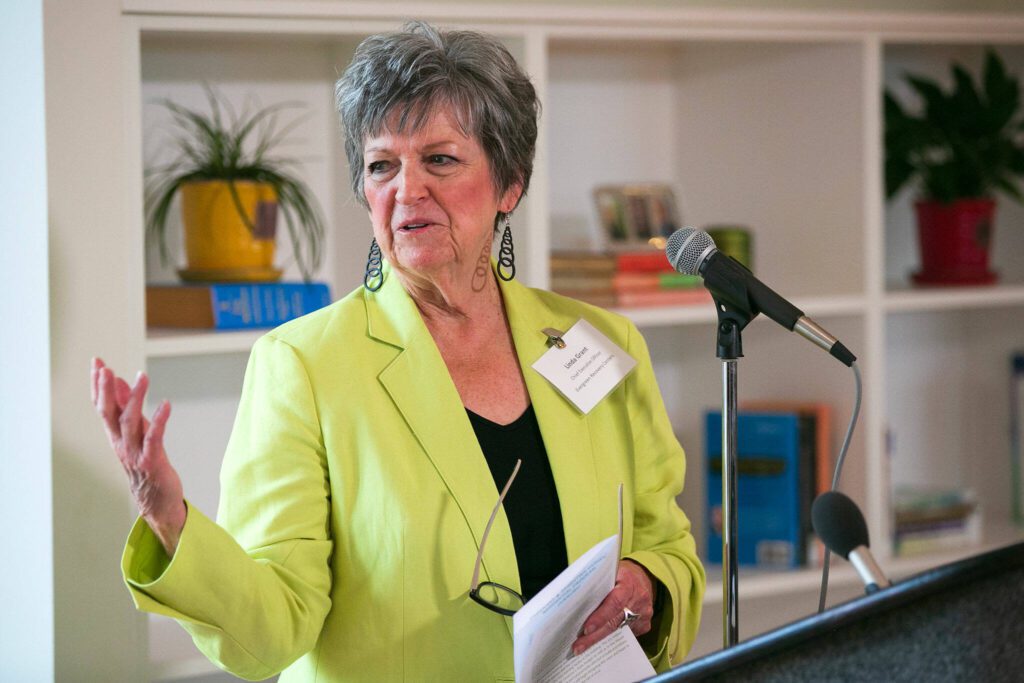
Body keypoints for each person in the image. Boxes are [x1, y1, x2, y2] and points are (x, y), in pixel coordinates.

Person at [92, 21, 705, 682]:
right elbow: (272, 630)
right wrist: (171, 520)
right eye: (382, 165)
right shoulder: (302, 365)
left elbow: (666, 540)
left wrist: (651, 583)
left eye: (439, 159)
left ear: (509, 184)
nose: (405, 190)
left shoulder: (604, 343)